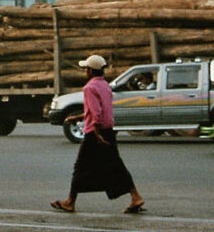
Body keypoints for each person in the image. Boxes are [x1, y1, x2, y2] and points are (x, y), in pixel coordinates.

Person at [51, 54, 146, 214]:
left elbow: (96, 113)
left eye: (86, 68)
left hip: (95, 133)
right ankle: (135, 196)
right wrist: (78, 117)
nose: (85, 71)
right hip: (108, 130)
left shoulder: (89, 88)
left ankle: (69, 202)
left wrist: (96, 133)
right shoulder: (105, 86)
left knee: (80, 167)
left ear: (90, 70)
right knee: (116, 165)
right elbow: (99, 110)